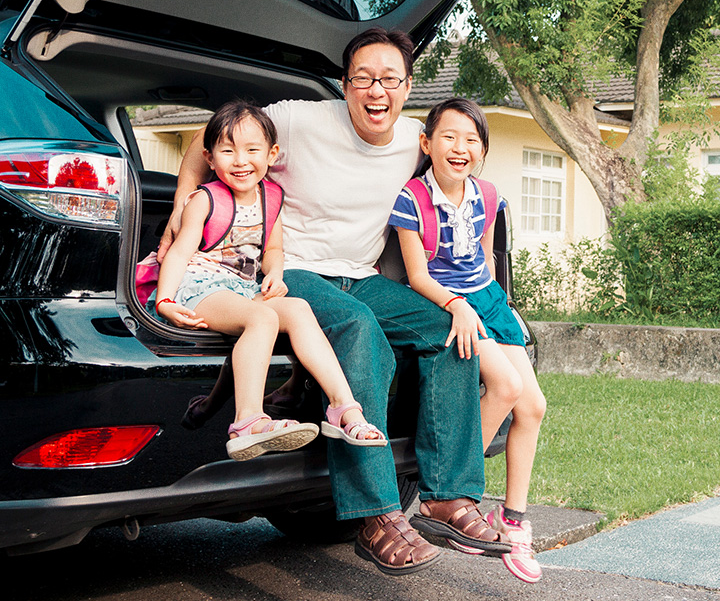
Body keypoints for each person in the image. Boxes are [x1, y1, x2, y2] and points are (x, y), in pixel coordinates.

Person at [160, 29, 508, 577]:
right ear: (345, 86)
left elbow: (459, 187)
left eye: (389, 79)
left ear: (408, 86)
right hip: (289, 271)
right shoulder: (298, 120)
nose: (376, 90)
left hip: (361, 274)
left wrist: (468, 288)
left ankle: (448, 498)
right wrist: (181, 216)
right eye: (363, 78)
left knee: (447, 328)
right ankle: (375, 516)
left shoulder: (418, 140)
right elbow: (204, 148)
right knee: (358, 327)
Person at [153, 101, 387, 460]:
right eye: (227, 151)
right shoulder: (203, 200)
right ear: (210, 158)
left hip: (243, 287)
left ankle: (344, 409)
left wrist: (275, 275)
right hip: (200, 286)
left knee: (297, 308)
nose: (240, 160)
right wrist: (165, 299)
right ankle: (247, 421)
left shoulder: (271, 198)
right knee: (263, 318)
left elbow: (273, 249)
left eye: (252, 150)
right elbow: (180, 252)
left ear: (272, 154)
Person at [390, 98, 547, 583]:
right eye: (449, 137)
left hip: (488, 301)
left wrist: (501, 302)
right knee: (504, 387)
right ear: (427, 143)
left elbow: (485, 255)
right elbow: (417, 276)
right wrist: (458, 306)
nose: (461, 148)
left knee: (534, 407)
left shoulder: (488, 194)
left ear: (482, 149)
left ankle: (512, 518)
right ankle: (449, 493)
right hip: (445, 303)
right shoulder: (411, 199)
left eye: (472, 139)